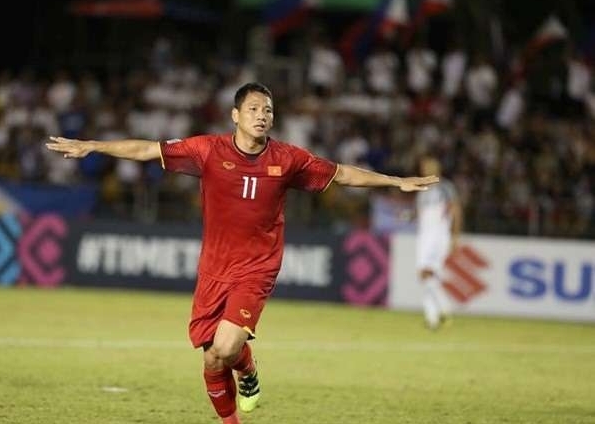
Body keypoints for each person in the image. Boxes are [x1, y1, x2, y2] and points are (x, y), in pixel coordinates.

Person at [46, 82, 439, 424]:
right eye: (253, 109)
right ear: (235, 115)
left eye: (268, 110)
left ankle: (246, 367)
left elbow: (342, 173)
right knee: (212, 359)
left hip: (257, 268)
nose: (262, 115)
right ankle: (237, 399)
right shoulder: (207, 150)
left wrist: (395, 181)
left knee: (226, 347)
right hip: (213, 268)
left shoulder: (288, 159)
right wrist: (93, 146)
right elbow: (147, 149)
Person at [415, 155, 462, 330]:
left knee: (427, 273)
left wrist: (455, 236)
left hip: (439, 235)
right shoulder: (421, 189)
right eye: (423, 167)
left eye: (428, 167)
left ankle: (443, 309)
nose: (425, 170)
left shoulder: (445, 188)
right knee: (427, 276)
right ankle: (433, 318)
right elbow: (420, 215)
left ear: (437, 169)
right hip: (424, 236)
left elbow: (456, 210)